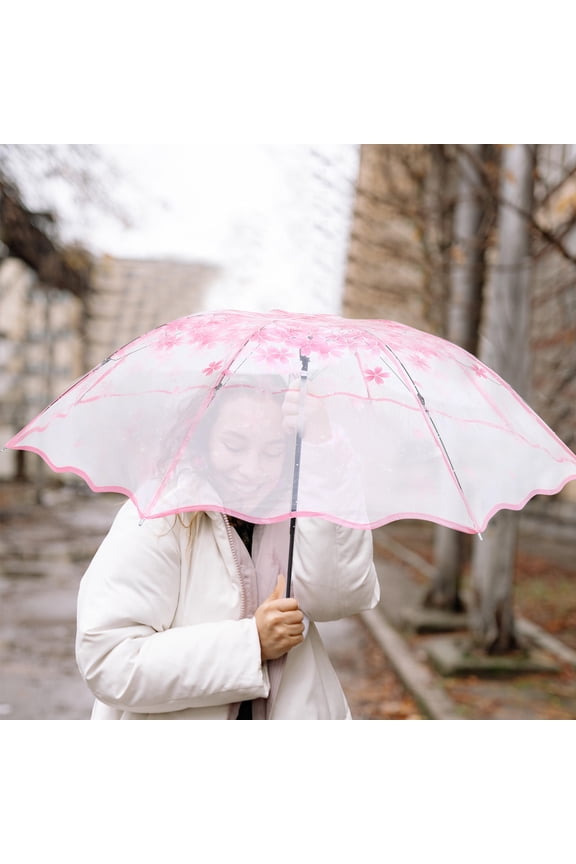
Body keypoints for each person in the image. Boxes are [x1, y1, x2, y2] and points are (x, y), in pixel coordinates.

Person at [75, 377, 379, 719]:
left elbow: (339, 596)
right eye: (234, 446)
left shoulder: (296, 512)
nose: (252, 470)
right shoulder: (158, 517)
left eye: (273, 452)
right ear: (203, 440)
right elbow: (110, 663)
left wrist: (323, 449)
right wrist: (252, 644)